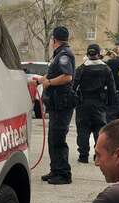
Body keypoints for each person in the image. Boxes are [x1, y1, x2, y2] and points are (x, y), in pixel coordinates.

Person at [35, 26, 76, 185]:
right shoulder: (60, 54)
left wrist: (49, 82)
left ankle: (64, 174)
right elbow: (53, 74)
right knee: (53, 138)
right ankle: (55, 170)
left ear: (54, 40)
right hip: (57, 103)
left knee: (58, 139)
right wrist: (41, 80)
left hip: (62, 103)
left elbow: (67, 77)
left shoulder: (65, 55)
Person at [74, 43, 116, 164]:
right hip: (99, 104)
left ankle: (83, 156)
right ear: (98, 54)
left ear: (87, 54)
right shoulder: (106, 69)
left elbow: (73, 86)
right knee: (99, 130)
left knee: (82, 130)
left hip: (83, 103)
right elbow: (112, 89)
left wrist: (74, 101)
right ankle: (98, 156)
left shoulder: (81, 68)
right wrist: (110, 105)